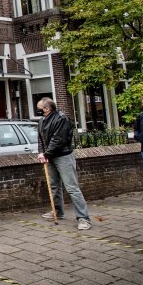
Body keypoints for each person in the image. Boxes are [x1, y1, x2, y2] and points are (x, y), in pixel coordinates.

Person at [37, 97, 92, 230]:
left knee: (72, 188)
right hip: (49, 158)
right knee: (54, 186)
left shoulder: (62, 119)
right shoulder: (42, 120)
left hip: (63, 157)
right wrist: (41, 153)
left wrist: (46, 153)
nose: (37, 110)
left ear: (47, 108)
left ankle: (83, 218)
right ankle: (57, 212)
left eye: (39, 108)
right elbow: (40, 139)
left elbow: (58, 140)